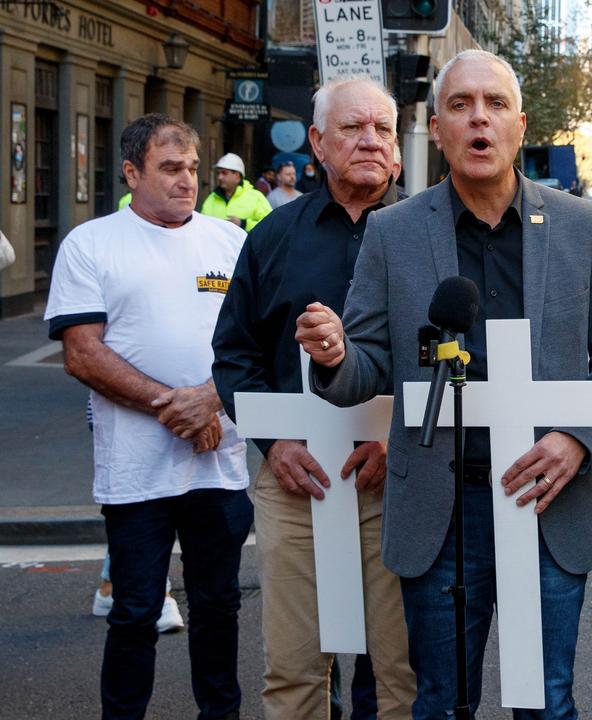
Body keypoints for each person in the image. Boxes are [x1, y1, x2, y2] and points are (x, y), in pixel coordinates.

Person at [295, 49, 592, 718]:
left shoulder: (583, 225)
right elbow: (366, 365)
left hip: (548, 503)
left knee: (546, 701)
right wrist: (336, 357)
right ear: (435, 127)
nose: (479, 120)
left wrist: (577, 439)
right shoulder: (394, 232)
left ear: (520, 123)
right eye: (460, 106)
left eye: (494, 105)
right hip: (441, 506)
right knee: (441, 702)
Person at [212, 77, 415, 719]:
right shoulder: (273, 237)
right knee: (295, 671)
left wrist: (396, 438)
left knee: (400, 676)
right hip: (298, 479)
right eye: (353, 128)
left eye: (383, 130)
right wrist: (275, 446)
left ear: (400, 149)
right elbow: (235, 353)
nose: (370, 141)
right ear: (318, 143)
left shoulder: (433, 233)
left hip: (401, 478)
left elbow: (462, 359)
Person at [45, 113, 251, 720]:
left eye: (191, 167)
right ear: (132, 172)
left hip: (220, 465)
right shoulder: (90, 244)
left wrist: (210, 399)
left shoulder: (231, 242)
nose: (187, 180)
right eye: (170, 168)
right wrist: (180, 408)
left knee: (219, 606)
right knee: (135, 610)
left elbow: (257, 343)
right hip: (137, 470)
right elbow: (83, 354)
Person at [201, 152, 272, 231]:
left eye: (224, 173)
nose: (219, 177)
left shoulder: (256, 197)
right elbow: (201, 226)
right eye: (218, 173)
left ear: (237, 175)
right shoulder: (211, 198)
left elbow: (270, 225)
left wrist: (244, 224)